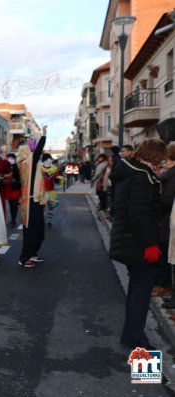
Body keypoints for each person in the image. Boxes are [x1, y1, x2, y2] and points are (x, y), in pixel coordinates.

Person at [109, 138, 167, 350]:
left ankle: (131, 334)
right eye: (160, 160)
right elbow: (140, 213)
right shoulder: (142, 176)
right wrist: (150, 244)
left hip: (129, 240)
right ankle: (135, 338)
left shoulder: (131, 172)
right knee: (141, 292)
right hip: (138, 243)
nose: (161, 164)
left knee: (136, 288)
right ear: (153, 156)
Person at [17, 126, 47, 268]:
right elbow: (38, 151)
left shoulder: (32, 164)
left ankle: (34, 253)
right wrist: (44, 136)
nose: (32, 152)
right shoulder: (26, 163)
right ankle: (24, 257)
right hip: (30, 201)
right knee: (31, 230)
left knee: (39, 229)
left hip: (36, 199)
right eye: (29, 150)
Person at [153, 142, 175, 299]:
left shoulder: (172, 175)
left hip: (167, 221)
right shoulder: (169, 173)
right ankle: (163, 283)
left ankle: (165, 284)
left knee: (166, 255)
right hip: (165, 221)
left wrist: (153, 203)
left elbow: (167, 199)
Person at [41, 153, 62, 228]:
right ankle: (41, 221)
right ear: (44, 160)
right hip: (41, 192)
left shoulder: (54, 169)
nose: (50, 160)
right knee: (41, 208)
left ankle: (49, 221)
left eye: (51, 159)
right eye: (49, 159)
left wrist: (58, 180)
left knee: (51, 208)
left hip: (51, 191)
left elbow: (59, 177)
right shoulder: (39, 168)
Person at [3, 153, 21, 228]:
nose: (9, 159)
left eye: (11, 158)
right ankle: (12, 220)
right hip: (8, 188)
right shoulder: (5, 166)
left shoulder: (17, 166)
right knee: (11, 205)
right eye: (8, 158)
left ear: (14, 159)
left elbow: (18, 176)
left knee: (15, 205)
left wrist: (14, 165)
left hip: (15, 188)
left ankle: (13, 220)